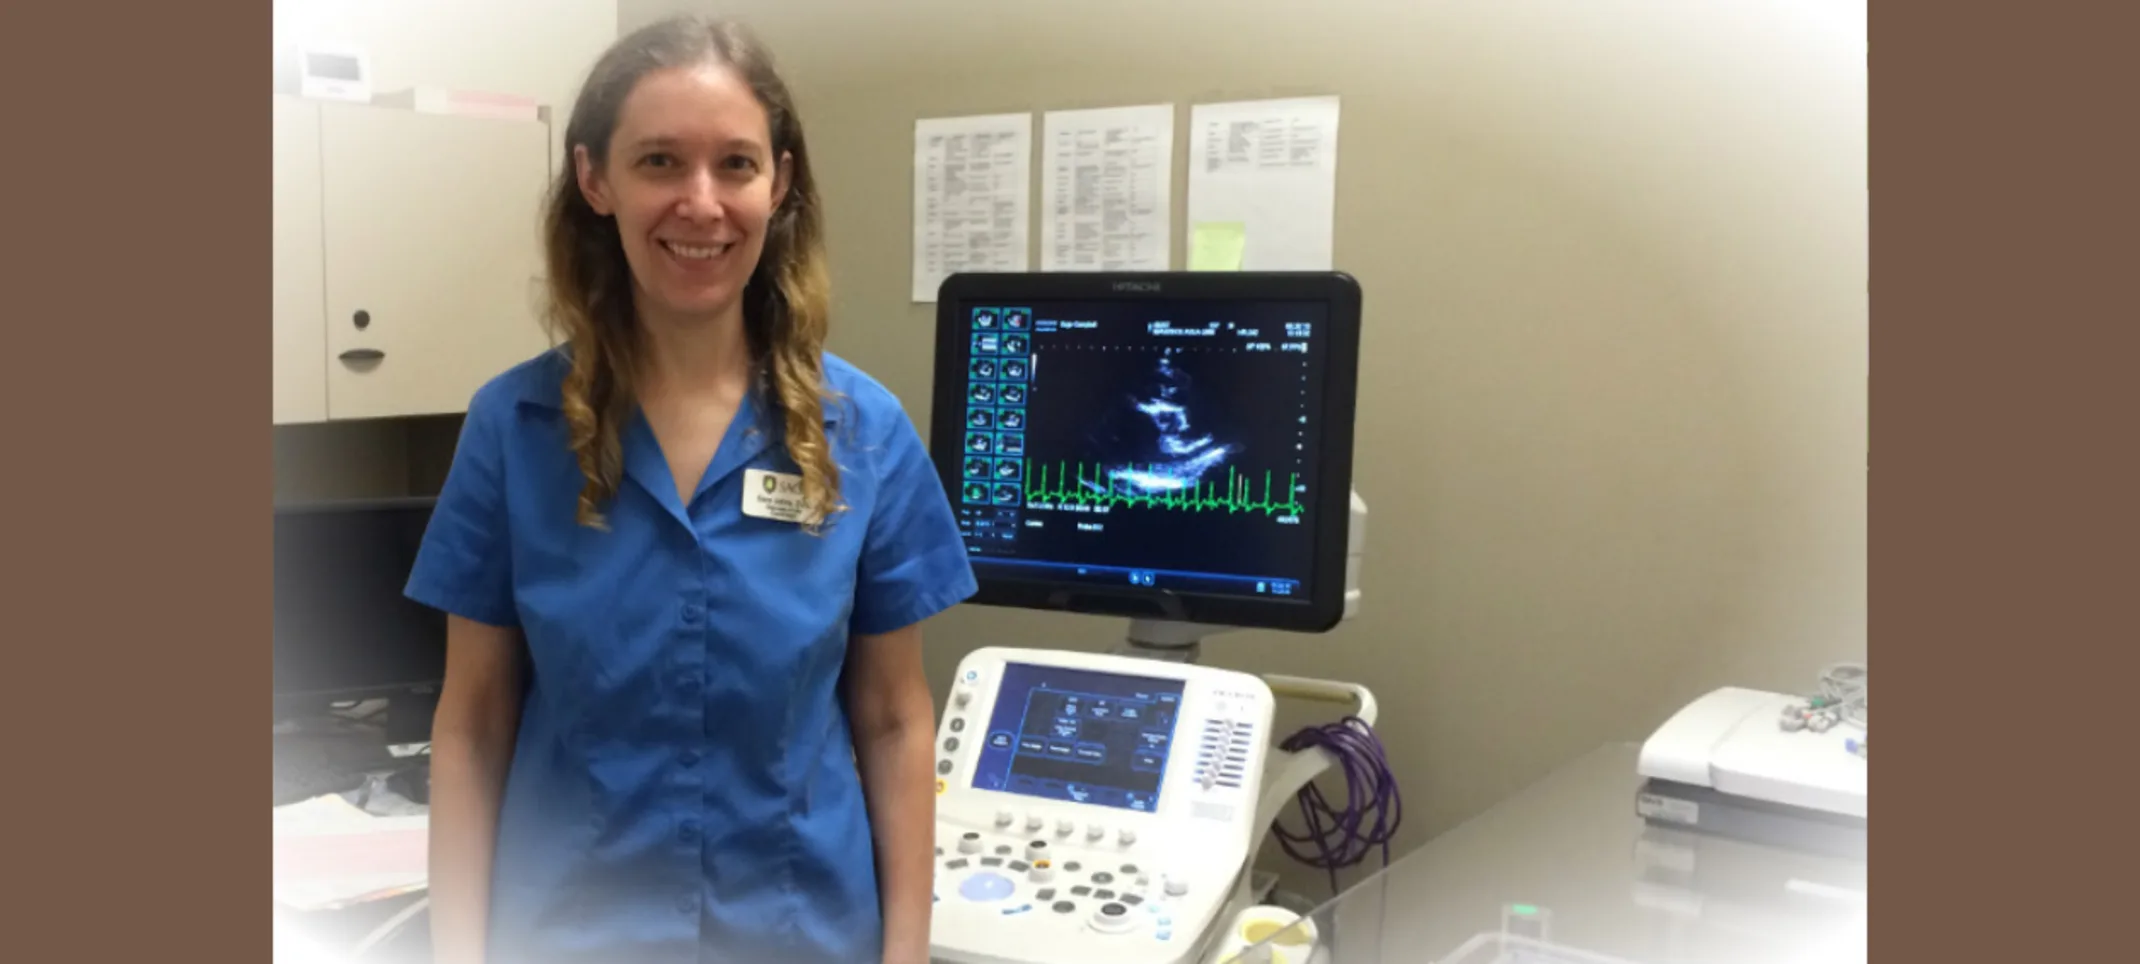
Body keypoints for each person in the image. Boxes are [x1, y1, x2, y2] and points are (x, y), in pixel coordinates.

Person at [404, 15, 975, 964]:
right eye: (660, 161)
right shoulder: (513, 430)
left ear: (780, 182)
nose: (700, 204)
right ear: (597, 180)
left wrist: (905, 955)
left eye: (736, 165)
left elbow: (893, 718)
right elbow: (471, 726)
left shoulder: (862, 436)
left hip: (802, 933)